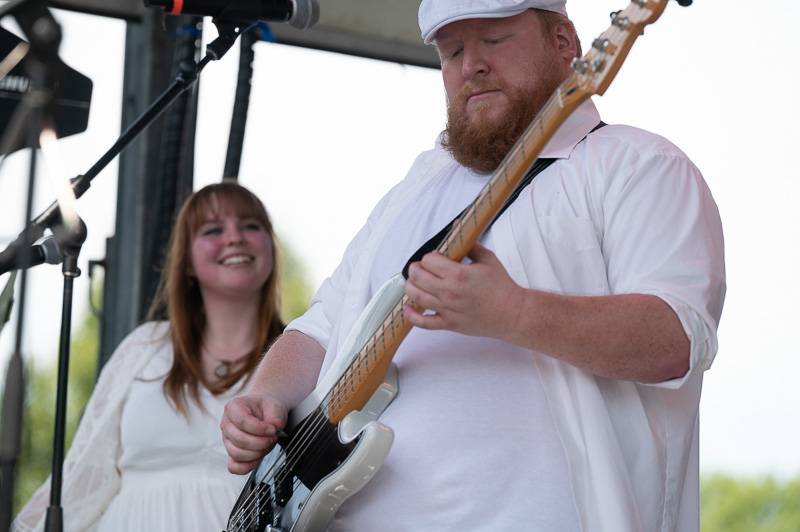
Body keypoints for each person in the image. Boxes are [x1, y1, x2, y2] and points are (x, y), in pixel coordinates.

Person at [220, 1, 726, 530]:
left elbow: (675, 340)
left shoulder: (639, 164)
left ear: (565, 42)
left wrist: (516, 313)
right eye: (453, 50)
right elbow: (322, 329)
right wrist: (263, 396)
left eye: (496, 40)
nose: (471, 65)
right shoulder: (419, 183)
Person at [14, 182, 284, 531]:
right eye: (213, 229)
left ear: (270, 248)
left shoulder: (296, 360)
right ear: (186, 262)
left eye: (251, 225)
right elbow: (83, 472)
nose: (234, 237)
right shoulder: (144, 347)